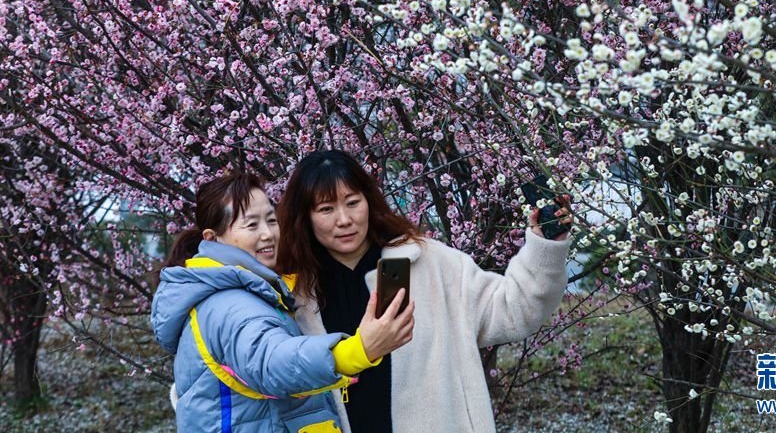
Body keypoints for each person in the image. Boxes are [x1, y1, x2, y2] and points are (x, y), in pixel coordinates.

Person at [276, 150, 572, 433]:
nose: (344, 219)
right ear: (305, 217)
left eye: (353, 202)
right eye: (326, 209)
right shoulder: (294, 295)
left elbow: (513, 309)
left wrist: (546, 245)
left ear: (369, 201)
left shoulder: (426, 262)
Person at [151, 172, 414, 432]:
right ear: (212, 238)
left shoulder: (235, 292)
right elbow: (270, 362)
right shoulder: (228, 305)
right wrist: (357, 350)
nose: (268, 234)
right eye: (252, 225)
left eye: (271, 220)